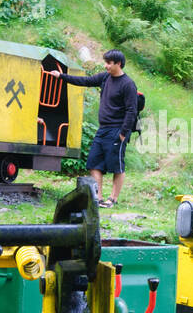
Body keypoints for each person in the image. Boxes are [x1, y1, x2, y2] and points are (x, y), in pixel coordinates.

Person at [50, 49, 138, 206]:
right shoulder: (105, 78)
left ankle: (113, 199)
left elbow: (131, 110)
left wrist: (124, 132)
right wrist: (61, 76)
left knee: (116, 165)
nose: (106, 66)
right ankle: (98, 197)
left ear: (118, 64)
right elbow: (85, 81)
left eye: (109, 63)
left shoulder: (128, 84)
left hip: (118, 130)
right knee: (93, 163)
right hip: (103, 129)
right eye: (105, 62)